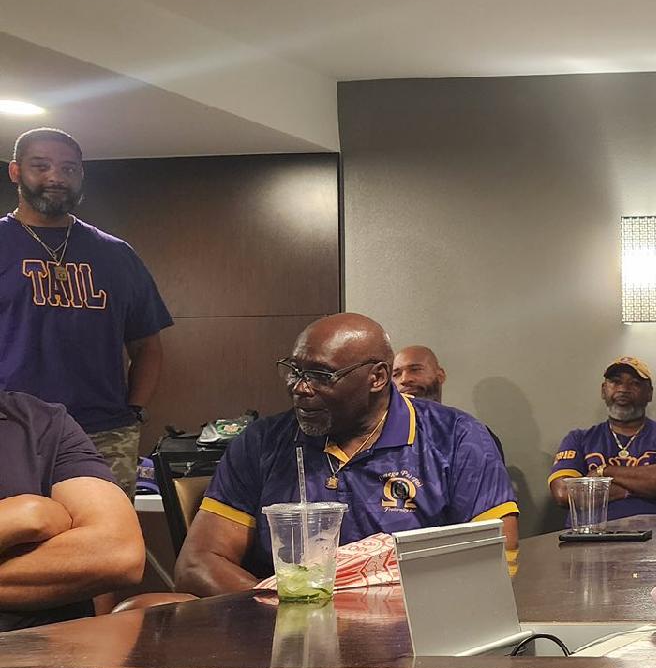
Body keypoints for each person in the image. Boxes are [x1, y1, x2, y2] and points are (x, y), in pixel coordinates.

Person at [174, 313, 518, 597]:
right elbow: (197, 563)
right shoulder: (263, 442)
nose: (300, 387)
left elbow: (496, 560)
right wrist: (295, 612)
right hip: (282, 634)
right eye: (294, 370)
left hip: (414, 633)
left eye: (321, 375)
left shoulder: (457, 438)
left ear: (377, 377)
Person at [0, 128, 171, 494]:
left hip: (104, 433)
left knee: (107, 529)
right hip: (11, 432)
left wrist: (134, 413)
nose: (56, 177)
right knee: (16, 528)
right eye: (40, 166)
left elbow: (147, 346)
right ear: (15, 172)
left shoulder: (116, 254)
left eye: (69, 169)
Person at [0, 389, 145, 630]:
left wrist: (27, 515)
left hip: (54, 645)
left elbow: (118, 553)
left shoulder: (44, 423)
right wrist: (24, 517)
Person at [394, 342, 516, 551]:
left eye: (415, 369)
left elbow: (497, 533)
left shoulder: (467, 436)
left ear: (440, 375)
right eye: (396, 374)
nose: (405, 379)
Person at [548, 357, 656, 517]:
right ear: (603, 390)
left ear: (649, 393)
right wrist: (639, 488)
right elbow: (563, 493)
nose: (623, 389)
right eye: (615, 382)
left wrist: (603, 471)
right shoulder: (578, 439)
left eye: (635, 383)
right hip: (591, 531)